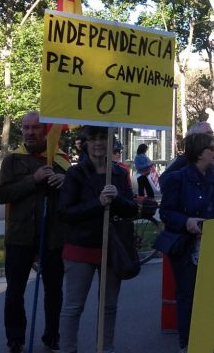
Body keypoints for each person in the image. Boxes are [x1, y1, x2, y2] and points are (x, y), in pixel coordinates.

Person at [0, 112, 70, 352]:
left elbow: (73, 195)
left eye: (35, 128)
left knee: (53, 290)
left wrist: (65, 181)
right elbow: (2, 194)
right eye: (26, 127)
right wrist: (33, 179)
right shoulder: (13, 160)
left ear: (45, 130)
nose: (29, 132)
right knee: (15, 291)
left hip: (52, 235)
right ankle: (15, 338)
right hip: (20, 235)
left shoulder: (60, 160)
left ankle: (52, 335)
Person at [58, 126, 138, 353]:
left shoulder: (119, 173)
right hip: (81, 247)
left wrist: (117, 199)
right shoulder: (76, 173)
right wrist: (98, 203)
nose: (99, 143)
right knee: (74, 306)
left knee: (109, 305)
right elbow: (65, 212)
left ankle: (106, 348)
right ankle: (68, 349)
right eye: (93, 139)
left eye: (103, 137)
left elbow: (132, 209)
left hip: (112, 248)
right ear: (85, 144)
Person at [158, 132, 214, 353]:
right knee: (188, 296)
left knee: (213, 295)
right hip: (188, 247)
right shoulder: (177, 178)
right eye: (211, 148)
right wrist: (186, 221)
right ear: (200, 153)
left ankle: (209, 337)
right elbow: (166, 212)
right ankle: (188, 344)